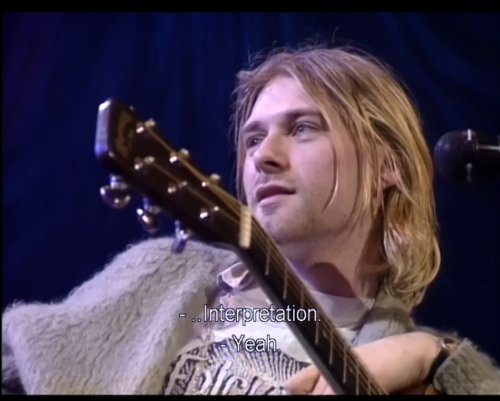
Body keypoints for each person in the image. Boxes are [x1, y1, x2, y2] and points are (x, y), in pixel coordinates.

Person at [2, 44, 500, 395]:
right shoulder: (165, 277)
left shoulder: (417, 370)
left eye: (302, 128)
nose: (263, 156)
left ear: (388, 164)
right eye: (253, 139)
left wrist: (433, 355)